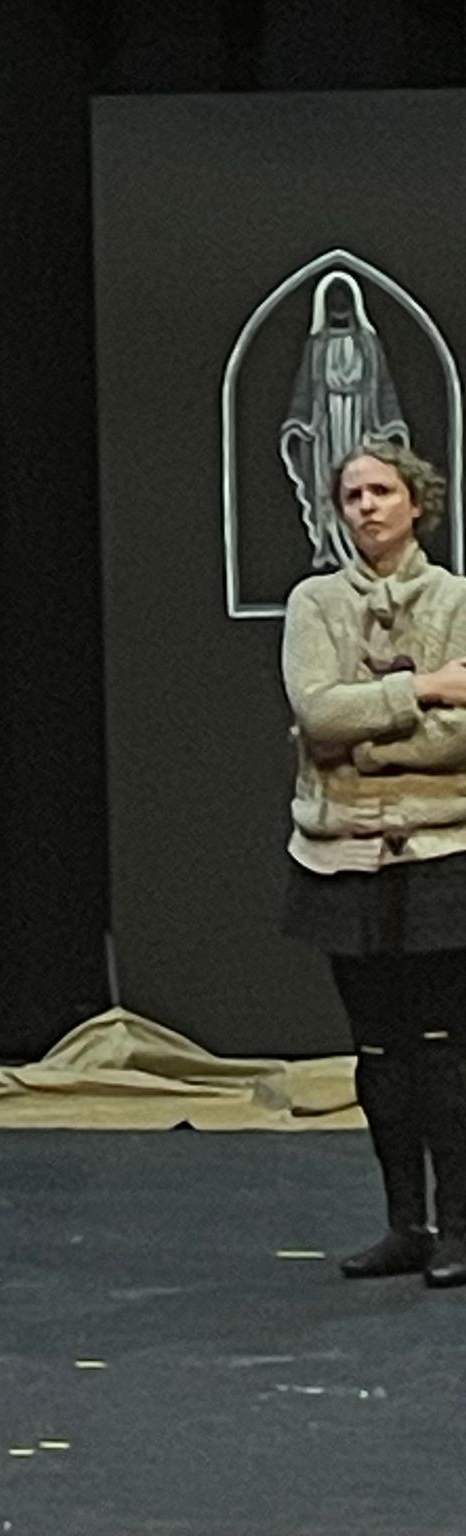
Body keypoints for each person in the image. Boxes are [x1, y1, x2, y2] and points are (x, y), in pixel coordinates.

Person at [282, 439, 466, 1285]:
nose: (366, 507)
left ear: (415, 503)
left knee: (445, 1048)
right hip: (343, 856)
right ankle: (405, 1226)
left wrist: (368, 745)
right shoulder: (314, 602)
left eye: (382, 492)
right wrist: (423, 690)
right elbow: (318, 712)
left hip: (441, 852)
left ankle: (459, 1228)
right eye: (352, 495)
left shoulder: (457, 600)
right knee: (380, 1051)